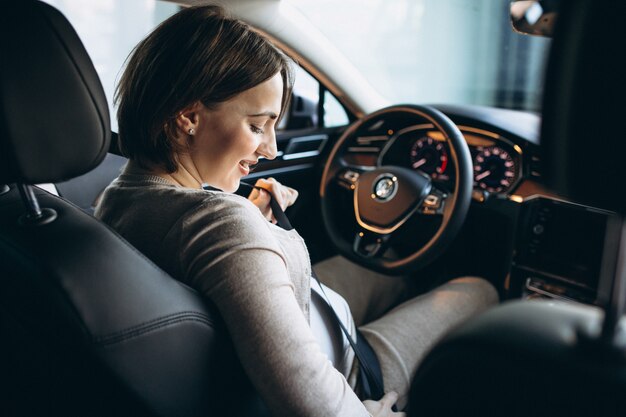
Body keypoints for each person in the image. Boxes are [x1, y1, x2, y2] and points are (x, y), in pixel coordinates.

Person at [95, 5, 498, 417]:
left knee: (392, 266)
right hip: (349, 367)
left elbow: (198, 243)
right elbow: (312, 396)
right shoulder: (224, 225)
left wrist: (256, 224)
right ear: (188, 117)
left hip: (307, 309)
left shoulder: (115, 197)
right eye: (257, 126)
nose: (271, 149)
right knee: (477, 289)